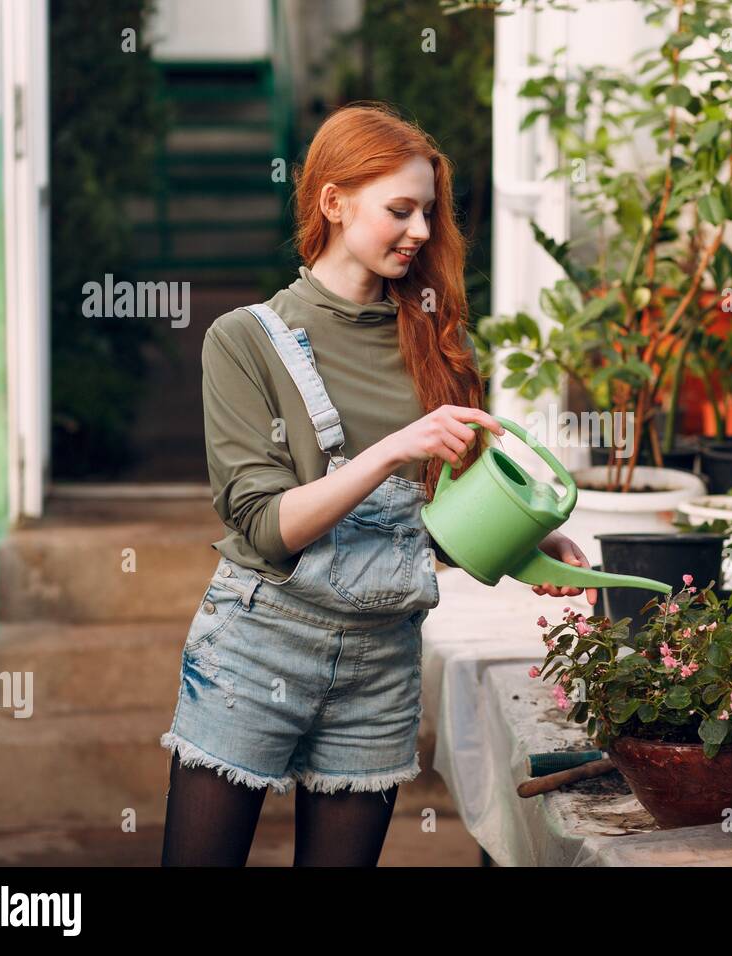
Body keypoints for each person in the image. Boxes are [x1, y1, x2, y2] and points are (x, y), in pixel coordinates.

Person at [159, 103, 594, 866]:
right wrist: (396, 449)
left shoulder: (436, 345)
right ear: (333, 202)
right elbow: (267, 526)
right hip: (261, 647)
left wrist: (535, 542)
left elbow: (428, 530)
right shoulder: (243, 341)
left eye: (428, 212)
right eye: (400, 210)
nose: (421, 232)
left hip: (381, 664)